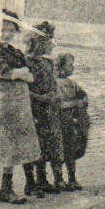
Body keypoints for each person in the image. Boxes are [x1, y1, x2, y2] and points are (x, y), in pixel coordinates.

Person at [0, 13, 42, 204]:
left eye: (11, 30)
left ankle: (6, 188)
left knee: (12, 145)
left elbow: (31, 75)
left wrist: (20, 73)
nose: (6, 34)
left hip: (17, 104)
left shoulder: (14, 51)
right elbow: (3, 72)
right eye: (2, 30)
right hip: (0, 102)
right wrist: (20, 73)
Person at [24, 24, 65, 195]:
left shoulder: (48, 62)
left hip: (49, 109)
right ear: (36, 42)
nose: (51, 44)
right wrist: (41, 97)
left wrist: (54, 96)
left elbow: (54, 84)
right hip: (33, 108)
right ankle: (30, 182)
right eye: (47, 41)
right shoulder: (25, 62)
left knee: (49, 142)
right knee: (33, 143)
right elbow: (22, 89)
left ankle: (43, 179)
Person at [54, 52, 89, 190]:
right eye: (70, 65)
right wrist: (76, 103)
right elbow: (57, 104)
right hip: (61, 121)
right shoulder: (56, 84)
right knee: (60, 149)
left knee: (72, 149)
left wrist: (83, 99)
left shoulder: (72, 83)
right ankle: (58, 178)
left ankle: (72, 178)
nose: (72, 68)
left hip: (72, 121)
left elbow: (83, 95)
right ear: (61, 67)